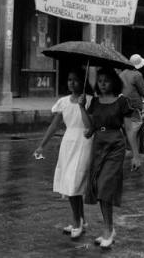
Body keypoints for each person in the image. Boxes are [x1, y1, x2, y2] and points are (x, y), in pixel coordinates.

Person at [79, 67, 140, 249]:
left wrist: (136, 155)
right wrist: (82, 107)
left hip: (115, 145)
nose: (103, 84)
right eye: (100, 81)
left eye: (106, 80)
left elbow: (129, 129)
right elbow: (89, 125)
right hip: (98, 145)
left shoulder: (122, 102)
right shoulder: (95, 102)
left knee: (105, 186)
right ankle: (108, 228)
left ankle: (108, 230)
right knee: (98, 187)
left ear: (114, 81)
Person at [33, 68, 93, 239]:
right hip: (68, 143)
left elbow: (91, 125)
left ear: (83, 82)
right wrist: (41, 145)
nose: (71, 83)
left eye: (75, 80)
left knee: (74, 182)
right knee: (69, 182)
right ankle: (81, 220)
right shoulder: (64, 102)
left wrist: (83, 107)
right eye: (69, 80)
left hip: (84, 142)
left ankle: (77, 223)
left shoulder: (89, 100)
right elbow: (54, 125)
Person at [118, 54, 144, 166]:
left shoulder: (122, 73)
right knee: (136, 125)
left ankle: (128, 146)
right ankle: (133, 148)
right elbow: (143, 91)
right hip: (133, 105)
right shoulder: (137, 75)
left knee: (126, 125)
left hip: (122, 103)